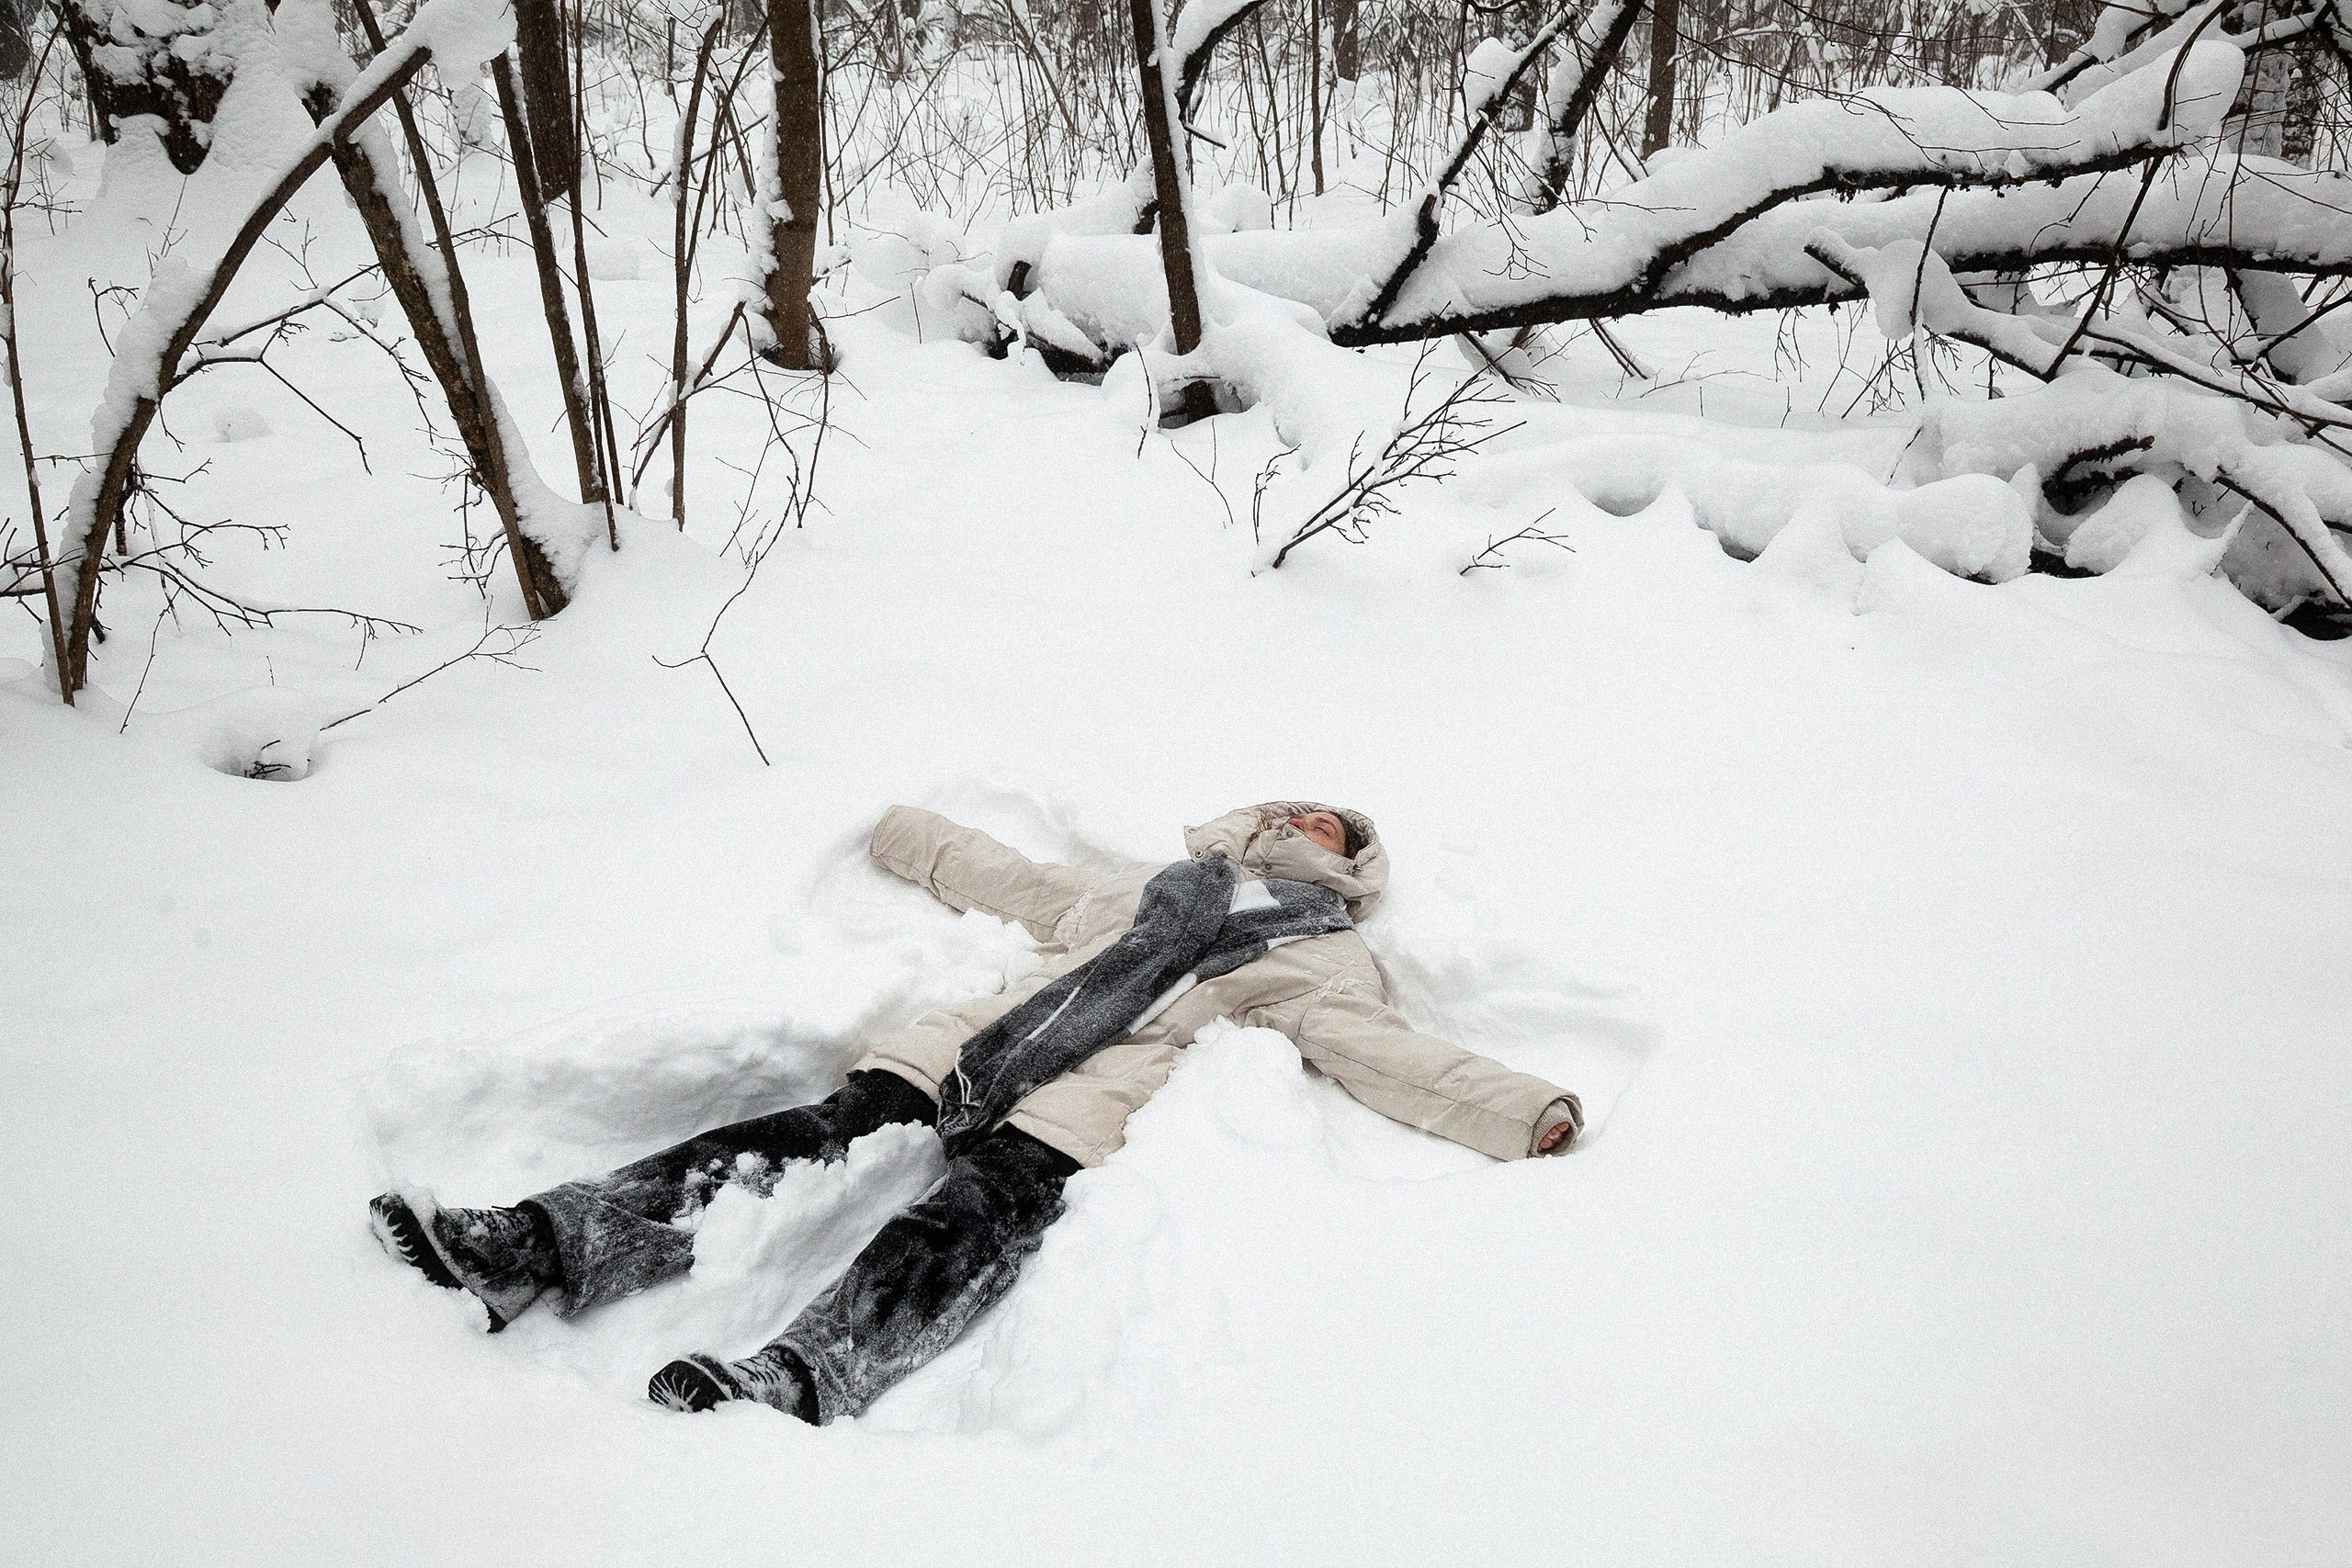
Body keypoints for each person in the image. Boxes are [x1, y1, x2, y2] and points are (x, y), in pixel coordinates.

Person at [369, 801, 1583, 1425]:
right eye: (1306, 811)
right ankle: (539, 1245)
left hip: (1076, 1113)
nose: (1316, 828)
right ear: (1261, 817)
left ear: (1351, 869)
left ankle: (809, 1371)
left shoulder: (1322, 954)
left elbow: (1382, 1054)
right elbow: (1012, 880)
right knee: (777, 1147)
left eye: (1340, 832)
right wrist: (897, 827)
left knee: (960, 1226)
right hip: (961, 1058)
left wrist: (1523, 1109)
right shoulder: (1152, 884)